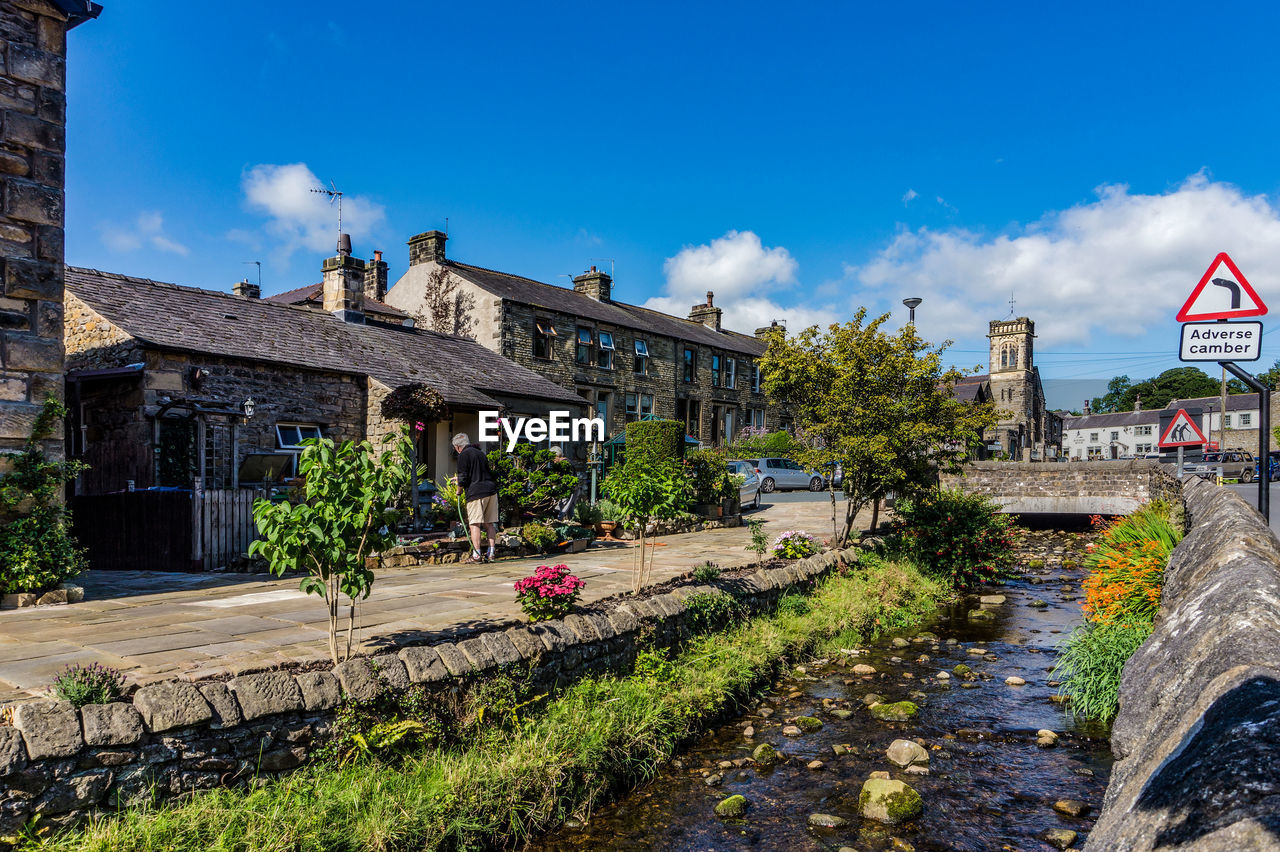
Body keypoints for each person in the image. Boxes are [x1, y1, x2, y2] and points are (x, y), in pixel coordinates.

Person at [452, 432, 498, 563]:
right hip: (491, 491)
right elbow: (478, 471)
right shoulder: (480, 453)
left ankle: (477, 555)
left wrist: (458, 490)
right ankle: (491, 552)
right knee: (489, 523)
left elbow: (463, 477)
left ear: (458, 447)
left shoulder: (463, 455)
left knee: (474, 524)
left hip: (476, 492)